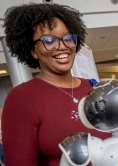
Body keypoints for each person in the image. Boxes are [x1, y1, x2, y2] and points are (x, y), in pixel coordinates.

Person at [2, 3, 111, 166]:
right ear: (33, 50)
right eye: (49, 40)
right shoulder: (22, 97)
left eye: (68, 38)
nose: (62, 46)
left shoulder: (93, 88)